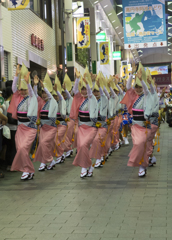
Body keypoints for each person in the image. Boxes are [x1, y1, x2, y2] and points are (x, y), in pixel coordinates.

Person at [121, 62, 152, 177]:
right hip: (135, 126)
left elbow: (146, 90)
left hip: (145, 126)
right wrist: (132, 73)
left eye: (140, 87)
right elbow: (128, 87)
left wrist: (142, 81)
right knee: (138, 144)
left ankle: (142, 166)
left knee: (143, 145)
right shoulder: (133, 95)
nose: (138, 89)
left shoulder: (147, 95)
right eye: (137, 86)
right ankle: (140, 164)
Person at [7, 63, 38, 180]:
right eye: (21, 89)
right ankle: (28, 169)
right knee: (20, 149)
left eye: (24, 89)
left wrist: (29, 84)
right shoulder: (18, 97)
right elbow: (13, 89)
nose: (22, 92)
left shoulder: (31, 98)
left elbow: (31, 93)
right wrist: (16, 76)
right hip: (20, 128)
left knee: (23, 148)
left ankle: (27, 170)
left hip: (30, 128)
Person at [70, 69, 98, 178]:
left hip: (91, 128)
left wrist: (89, 83)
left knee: (84, 145)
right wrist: (77, 78)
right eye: (82, 89)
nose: (84, 91)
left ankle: (84, 166)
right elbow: (74, 90)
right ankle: (87, 166)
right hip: (81, 127)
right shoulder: (79, 99)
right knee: (81, 147)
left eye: (86, 89)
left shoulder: (92, 98)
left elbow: (90, 93)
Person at [33, 73, 58, 171]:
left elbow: (51, 97)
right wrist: (35, 85)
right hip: (43, 128)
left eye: (45, 92)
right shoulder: (41, 102)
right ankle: (44, 162)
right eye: (42, 92)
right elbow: (34, 95)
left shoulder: (53, 101)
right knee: (44, 145)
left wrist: (45, 88)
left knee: (43, 143)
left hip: (51, 128)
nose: (44, 94)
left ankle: (50, 160)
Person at [3, 86, 17, 171]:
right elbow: (11, 117)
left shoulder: (4, 103)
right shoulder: (10, 103)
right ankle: (11, 164)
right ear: (12, 94)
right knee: (12, 147)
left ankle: (9, 164)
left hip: (6, 129)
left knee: (8, 147)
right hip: (12, 128)